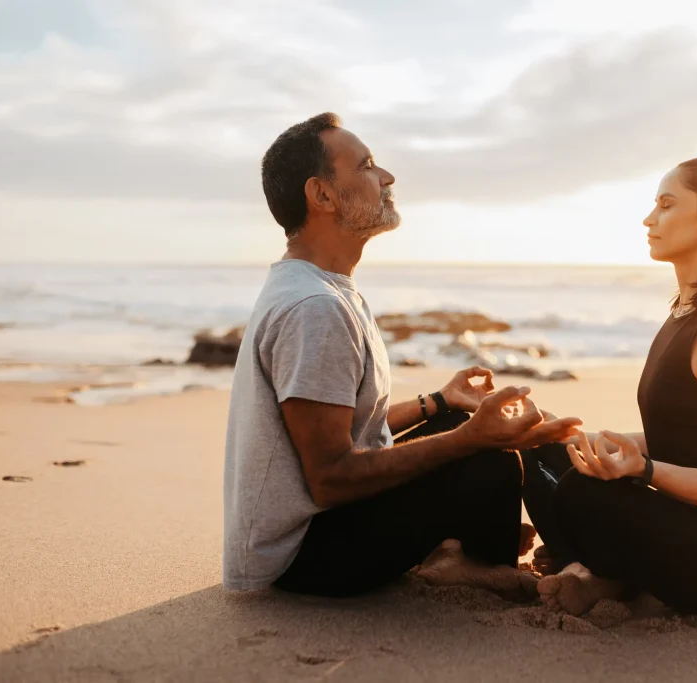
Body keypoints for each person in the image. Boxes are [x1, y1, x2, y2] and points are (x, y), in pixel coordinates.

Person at [222, 112, 582, 598]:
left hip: (316, 528)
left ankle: (463, 549)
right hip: (304, 557)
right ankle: (475, 564)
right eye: (367, 166)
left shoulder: (321, 286)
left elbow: (342, 423)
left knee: (474, 431)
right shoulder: (315, 308)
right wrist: (469, 438)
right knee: (488, 459)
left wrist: (440, 402)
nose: (386, 177)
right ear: (322, 195)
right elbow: (329, 478)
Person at [523, 157, 697, 618]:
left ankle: (597, 572)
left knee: (579, 494)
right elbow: (681, 437)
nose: (649, 219)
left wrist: (639, 469)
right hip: (676, 526)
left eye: (666, 205)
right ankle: (600, 570)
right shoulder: (685, 311)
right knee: (541, 452)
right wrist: (589, 440)